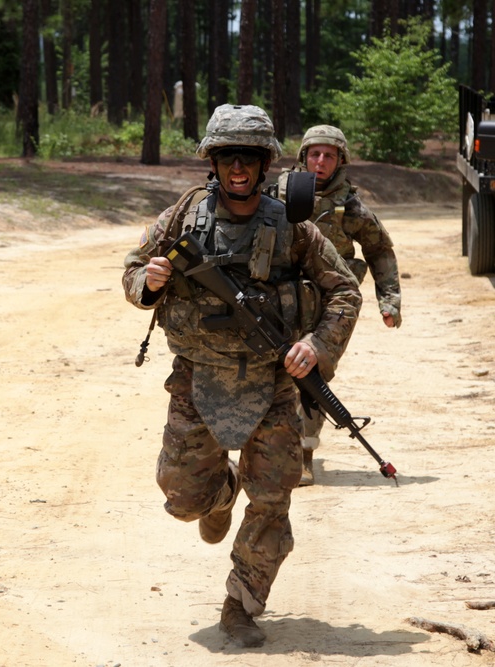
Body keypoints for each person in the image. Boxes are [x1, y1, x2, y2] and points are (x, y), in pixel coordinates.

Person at [121, 105, 362, 647]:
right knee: (183, 501)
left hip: (273, 388)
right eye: (228, 156)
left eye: (248, 158)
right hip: (197, 385)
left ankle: (241, 606)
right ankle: (221, 494)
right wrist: (151, 280)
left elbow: (345, 290)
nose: (238, 168)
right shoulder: (181, 218)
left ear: (264, 164)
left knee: (273, 502)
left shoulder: (292, 228)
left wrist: (315, 345)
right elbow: (133, 274)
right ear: (213, 160)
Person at [270, 125, 402, 485]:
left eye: (329, 155)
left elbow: (379, 251)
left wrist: (388, 300)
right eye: (314, 154)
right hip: (278, 299)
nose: (320, 161)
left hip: (330, 303)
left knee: (311, 374)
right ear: (303, 157)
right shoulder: (276, 194)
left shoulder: (350, 205)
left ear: (341, 161)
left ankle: (302, 455)